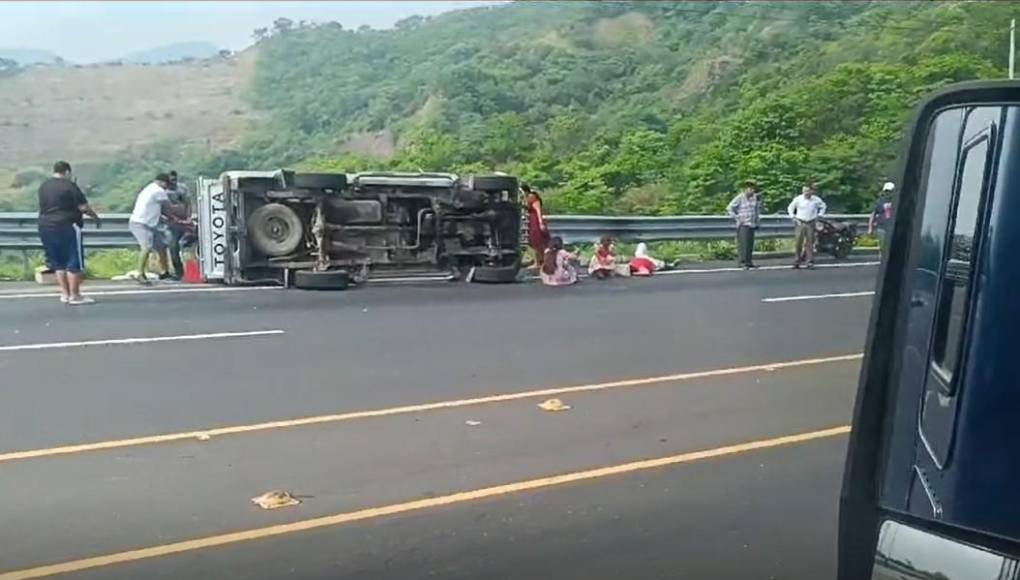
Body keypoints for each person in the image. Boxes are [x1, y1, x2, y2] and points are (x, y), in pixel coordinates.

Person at [36, 161, 101, 305]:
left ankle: (65, 294)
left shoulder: (44, 186)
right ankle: (76, 295)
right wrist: (95, 217)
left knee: (58, 262)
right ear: (67, 172)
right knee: (73, 260)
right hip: (67, 225)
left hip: (45, 225)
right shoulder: (70, 186)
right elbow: (83, 207)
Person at [129, 173, 173, 284]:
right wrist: (176, 218)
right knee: (146, 247)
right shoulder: (159, 191)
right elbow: (168, 208)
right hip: (142, 224)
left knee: (161, 245)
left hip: (151, 224)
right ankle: (140, 273)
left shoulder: (149, 188)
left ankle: (164, 272)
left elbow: (155, 208)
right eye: (167, 184)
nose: (167, 187)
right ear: (163, 182)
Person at [788, 184, 827, 269]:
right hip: (800, 222)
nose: (805, 193)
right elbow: (790, 207)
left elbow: (823, 206)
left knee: (810, 243)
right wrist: (793, 217)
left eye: (807, 191)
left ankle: (809, 261)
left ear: (811, 191)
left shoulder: (816, 200)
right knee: (798, 242)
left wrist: (820, 215)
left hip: (811, 222)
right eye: (804, 191)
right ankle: (797, 261)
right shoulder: (798, 199)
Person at [727, 180, 762, 270]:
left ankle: (749, 261)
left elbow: (756, 210)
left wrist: (757, 222)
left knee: (750, 244)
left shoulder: (755, 198)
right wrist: (737, 217)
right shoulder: (740, 197)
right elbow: (729, 207)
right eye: (750, 189)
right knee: (743, 244)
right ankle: (742, 262)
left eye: (753, 189)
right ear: (745, 189)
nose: (752, 191)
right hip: (743, 224)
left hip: (751, 223)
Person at [164, 170, 193, 280]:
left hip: (184, 221)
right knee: (173, 247)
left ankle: (192, 270)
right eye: (171, 180)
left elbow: (188, 203)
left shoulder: (182, 188)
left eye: (174, 180)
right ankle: (178, 272)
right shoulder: (163, 191)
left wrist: (189, 217)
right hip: (171, 223)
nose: (173, 182)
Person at [523, 185, 551, 269]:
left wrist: (540, 223)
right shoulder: (526, 197)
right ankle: (539, 260)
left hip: (535, 221)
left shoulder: (533, 197)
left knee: (536, 241)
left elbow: (538, 211)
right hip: (531, 221)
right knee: (533, 241)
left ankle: (538, 262)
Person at [869, 181, 895, 261]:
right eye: (887, 191)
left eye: (890, 191)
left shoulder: (897, 200)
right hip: (882, 227)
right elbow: (873, 214)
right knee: (882, 246)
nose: (888, 193)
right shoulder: (879, 201)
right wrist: (870, 227)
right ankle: (882, 261)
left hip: (893, 227)